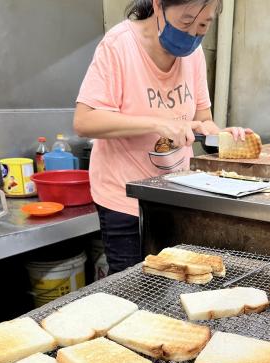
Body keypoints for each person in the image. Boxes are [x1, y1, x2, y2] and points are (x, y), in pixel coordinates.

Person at [74, 0, 252, 274]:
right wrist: (157, 123)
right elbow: (85, 120)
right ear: (158, 6)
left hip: (176, 195)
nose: (192, 33)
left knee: (176, 282)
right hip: (125, 199)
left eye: (203, 24)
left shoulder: (194, 53)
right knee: (134, 287)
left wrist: (220, 134)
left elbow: (202, 120)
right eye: (185, 21)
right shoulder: (120, 45)